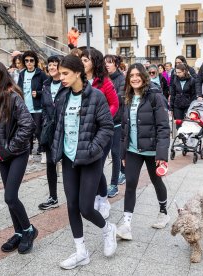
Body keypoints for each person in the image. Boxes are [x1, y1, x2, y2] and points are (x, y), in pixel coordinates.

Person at [51, 55, 117, 269]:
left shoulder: (96, 96)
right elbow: (58, 127)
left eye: (65, 73)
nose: (61, 77)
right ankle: (81, 252)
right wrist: (56, 151)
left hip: (90, 159)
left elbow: (107, 126)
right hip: (69, 159)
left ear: (78, 73)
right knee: (71, 206)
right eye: (60, 74)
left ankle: (108, 229)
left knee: (86, 208)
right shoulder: (62, 97)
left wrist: (92, 149)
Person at [0, 60, 38, 254]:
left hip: (17, 153)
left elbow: (28, 124)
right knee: (10, 197)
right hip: (2, 155)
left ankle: (29, 230)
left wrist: (11, 147)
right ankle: (18, 233)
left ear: (2, 75)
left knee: (10, 197)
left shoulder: (12, 96)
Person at [117, 62, 170, 241]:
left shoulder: (155, 96)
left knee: (156, 181)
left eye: (137, 75)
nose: (134, 78)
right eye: (131, 76)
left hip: (152, 150)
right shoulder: (127, 97)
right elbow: (125, 127)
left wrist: (161, 156)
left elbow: (163, 127)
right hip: (133, 149)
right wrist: (123, 153)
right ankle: (126, 224)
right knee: (130, 184)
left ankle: (163, 212)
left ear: (144, 76)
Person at [80, 48, 119, 219]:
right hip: (84, 132)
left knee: (97, 167)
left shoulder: (105, 82)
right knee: (88, 166)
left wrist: (102, 120)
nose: (82, 63)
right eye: (81, 59)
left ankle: (103, 199)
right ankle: (96, 196)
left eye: (86, 60)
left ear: (94, 63)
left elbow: (114, 104)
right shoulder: (78, 80)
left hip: (101, 132)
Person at [38, 55, 62, 210]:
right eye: (50, 64)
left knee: (69, 164)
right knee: (50, 164)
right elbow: (44, 108)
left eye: (55, 64)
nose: (52, 67)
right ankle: (53, 197)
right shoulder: (46, 85)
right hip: (49, 130)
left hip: (64, 129)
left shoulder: (67, 84)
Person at [17, 51, 48, 157]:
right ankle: (28, 152)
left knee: (38, 131)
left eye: (31, 60)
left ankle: (43, 151)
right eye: (26, 60)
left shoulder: (40, 73)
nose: (29, 63)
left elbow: (48, 89)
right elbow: (18, 89)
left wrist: (38, 93)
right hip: (25, 108)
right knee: (27, 131)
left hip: (37, 107)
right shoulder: (22, 74)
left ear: (35, 61)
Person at [104, 54, 126, 198]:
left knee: (116, 153)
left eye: (110, 63)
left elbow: (119, 99)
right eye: (105, 63)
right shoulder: (103, 79)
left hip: (117, 121)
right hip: (103, 122)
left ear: (116, 64)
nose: (107, 65)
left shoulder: (122, 79)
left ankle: (114, 185)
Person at [170, 63, 198, 128]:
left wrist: (192, 106)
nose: (177, 74)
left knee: (187, 124)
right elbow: (173, 94)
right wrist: (171, 108)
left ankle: (187, 138)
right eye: (176, 72)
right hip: (177, 106)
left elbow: (193, 95)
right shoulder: (175, 80)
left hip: (188, 106)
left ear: (184, 71)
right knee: (178, 125)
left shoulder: (191, 80)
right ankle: (181, 137)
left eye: (179, 72)